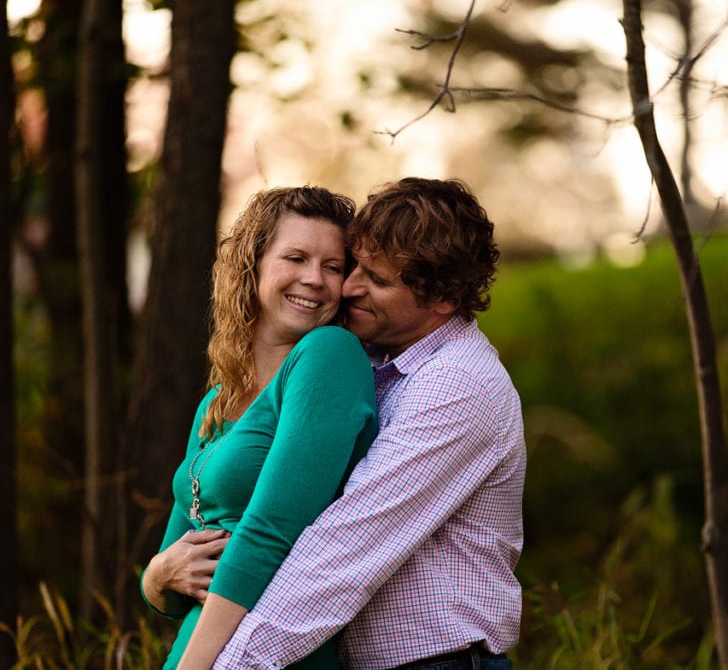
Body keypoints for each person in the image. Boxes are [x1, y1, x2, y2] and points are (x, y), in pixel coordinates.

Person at [149, 176, 526, 668]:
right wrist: (156, 576)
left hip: (436, 661)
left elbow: (337, 555)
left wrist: (220, 665)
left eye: (374, 278)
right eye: (355, 267)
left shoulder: (456, 385)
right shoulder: (378, 361)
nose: (345, 287)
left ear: (444, 300)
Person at [140, 186, 379, 669]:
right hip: (205, 651)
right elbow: (173, 580)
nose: (314, 279)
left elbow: (273, 529)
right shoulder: (216, 401)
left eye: (333, 267)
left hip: (273, 655)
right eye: (296, 258)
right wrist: (156, 577)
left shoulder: (330, 355)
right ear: (253, 264)